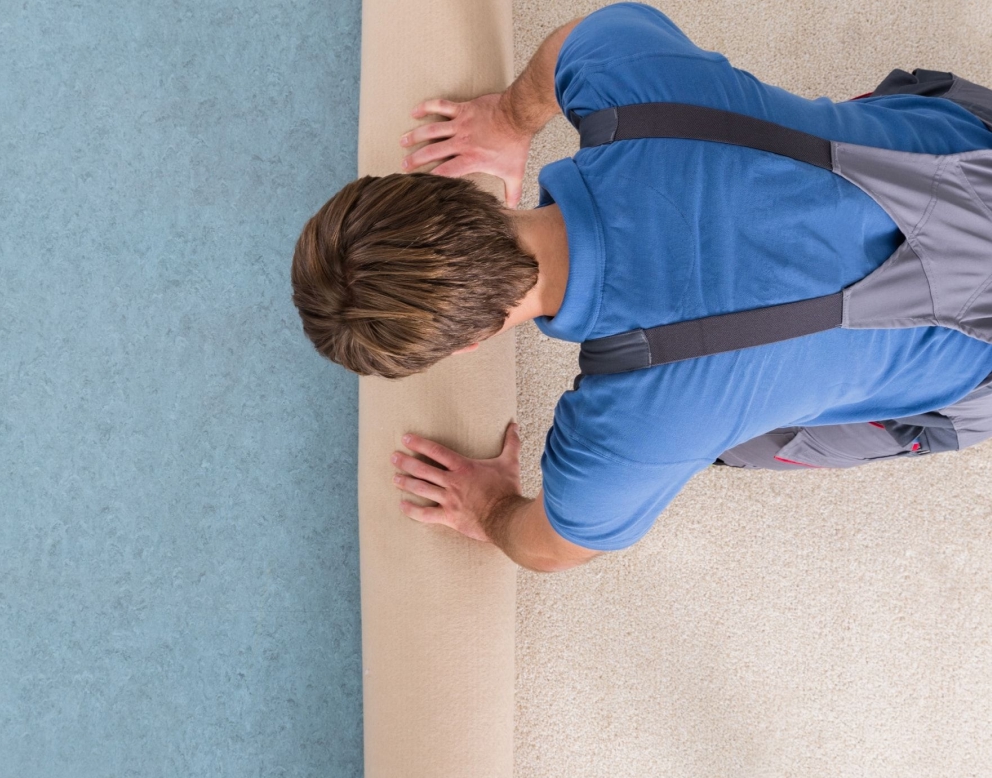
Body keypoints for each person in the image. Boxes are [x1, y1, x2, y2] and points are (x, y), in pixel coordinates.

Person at [291, 2, 992, 573]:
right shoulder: (633, 84)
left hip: (979, 376)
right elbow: (571, 45)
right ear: (462, 198)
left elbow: (552, 546)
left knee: (739, 443)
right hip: (978, 143)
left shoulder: (626, 431)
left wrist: (488, 509)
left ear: (471, 340)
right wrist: (507, 119)